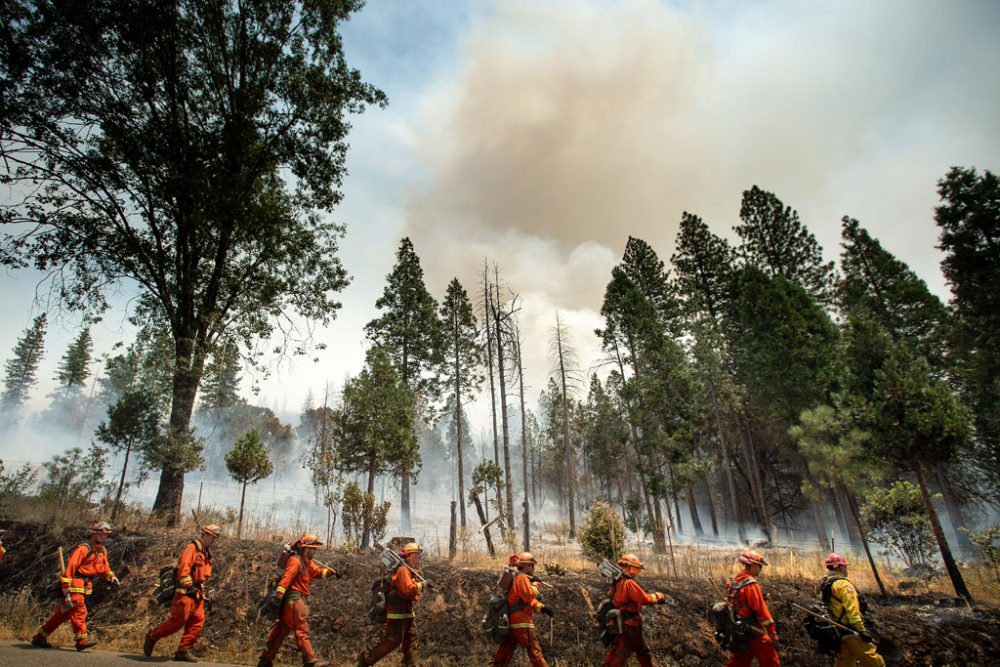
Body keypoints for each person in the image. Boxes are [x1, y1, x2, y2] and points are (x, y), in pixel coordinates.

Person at [32, 521, 120, 650]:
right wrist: (65, 584)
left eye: (106, 535)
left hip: (85, 585)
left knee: (62, 614)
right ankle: (81, 640)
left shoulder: (102, 551)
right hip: (75, 584)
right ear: (94, 534)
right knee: (79, 609)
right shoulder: (84, 549)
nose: (103, 537)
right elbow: (71, 566)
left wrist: (111, 576)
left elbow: (104, 567)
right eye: (101, 534)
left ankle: (39, 637)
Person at [257, 533, 338, 667]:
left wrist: (331, 572)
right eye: (312, 548)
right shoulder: (296, 561)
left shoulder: (308, 563)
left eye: (315, 549)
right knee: (301, 629)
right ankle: (310, 661)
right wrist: (278, 597)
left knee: (281, 630)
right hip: (294, 600)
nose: (314, 551)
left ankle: (265, 660)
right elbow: (286, 579)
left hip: (297, 599)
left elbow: (317, 572)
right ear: (304, 548)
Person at [144, 524, 222, 662]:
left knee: (198, 621)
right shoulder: (191, 549)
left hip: (197, 593)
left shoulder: (206, 552)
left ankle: (183, 650)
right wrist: (189, 586)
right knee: (177, 622)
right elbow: (183, 570)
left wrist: (207, 590)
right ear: (205, 535)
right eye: (212, 537)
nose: (213, 541)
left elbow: (204, 576)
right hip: (184, 593)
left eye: (214, 539)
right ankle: (152, 636)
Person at [360, 542, 428, 666]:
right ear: (411, 555)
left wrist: (421, 585)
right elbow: (407, 590)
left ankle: (410, 664)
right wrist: (422, 585)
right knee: (393, 640)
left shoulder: (411, 570)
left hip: (407, 612)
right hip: (397, 613)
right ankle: (366, 661)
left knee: (412, 638)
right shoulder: (403, 570)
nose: (420, 557)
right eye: (418, 554)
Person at [820, 553, 885, 667]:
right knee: (876, 663)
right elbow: (852, 609)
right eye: (845, 566)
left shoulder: (827, 584)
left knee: (844, 663)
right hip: (852, 632)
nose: (846, 569)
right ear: (839, 567)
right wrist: (861, 630)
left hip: (839, 633)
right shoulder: (843, 585)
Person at [602, 553, 667, 667]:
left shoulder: (617, 581)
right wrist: (658, 596)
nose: (638, 571)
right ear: (629, 567)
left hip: (628, 623)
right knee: (620, 655)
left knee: (642, 652)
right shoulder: (629, 583)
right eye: (636, 568)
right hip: (629, 625)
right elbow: (644, 599)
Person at [490, 551, 551, 667]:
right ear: (527, 566)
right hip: (523, 624)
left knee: (505, 652)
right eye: (532, 565)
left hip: (512, 624)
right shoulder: (522, 577)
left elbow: (525, 601)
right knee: (534, 651)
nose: (533, 568)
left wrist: (542, 608)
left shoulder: (515, 578)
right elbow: (529, 595)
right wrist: (536, 584)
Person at [723, 550, 780, 667]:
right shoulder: (751, 585)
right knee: (770, 661)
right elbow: (761, 610)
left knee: (740, 660)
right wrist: (772, 632)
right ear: (753, 566)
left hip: (739, 629)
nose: (761, 569)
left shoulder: (732, 580)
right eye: (760, 566)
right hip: (755, 631)